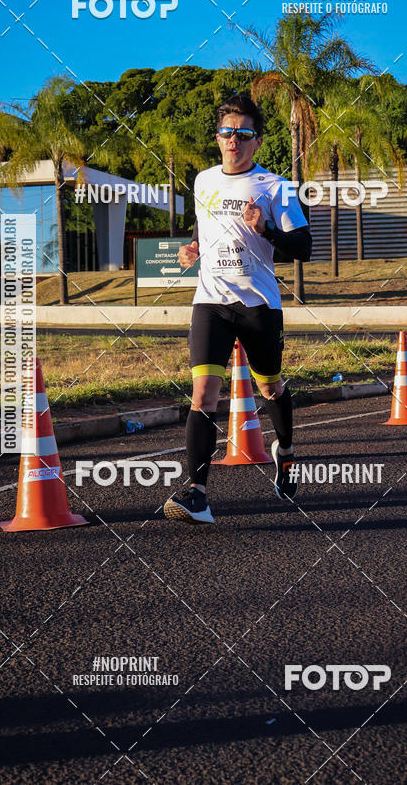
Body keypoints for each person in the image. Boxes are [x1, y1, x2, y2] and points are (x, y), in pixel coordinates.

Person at [163, 93, 312, 525]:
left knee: (270, 388)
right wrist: (193, 246)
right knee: (204, 394)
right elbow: (203, 225)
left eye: (243, 134)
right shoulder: (203, 181)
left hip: (258, 304)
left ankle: (285, 453)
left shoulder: (275, 187)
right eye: (227, 132)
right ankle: (198, 494)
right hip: (210, 300)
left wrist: (265, 227)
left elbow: (303, 246)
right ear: (217, 137)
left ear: (257, 141)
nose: (234, 140)